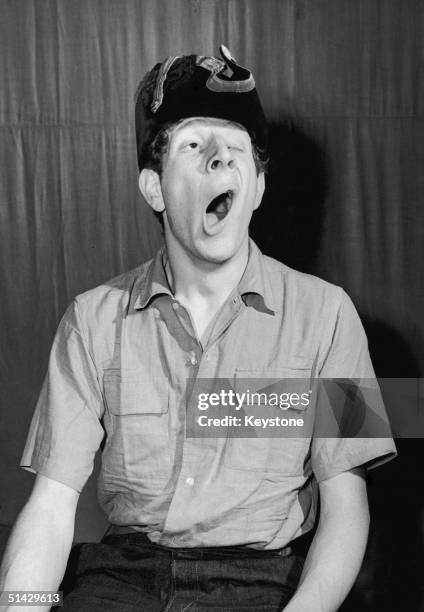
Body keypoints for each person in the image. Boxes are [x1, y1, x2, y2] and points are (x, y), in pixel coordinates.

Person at [0, 46, 396, 612]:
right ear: (155, 189)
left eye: (236, 150)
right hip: (123, 579)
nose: (221, 160)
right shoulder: (90, 320)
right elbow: (51, 506)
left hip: (266, 584)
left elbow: (347, 507)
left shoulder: (331, 315)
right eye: (193, 145)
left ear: (256, 189)